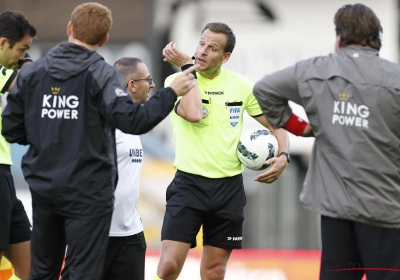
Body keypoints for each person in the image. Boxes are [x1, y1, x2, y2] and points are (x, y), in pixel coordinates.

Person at [1, 2, 198, 280]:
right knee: (83, 273)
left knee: (42, 272)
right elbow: (133, 121)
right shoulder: (103, 75)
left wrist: (47, 138)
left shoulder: (34, 73)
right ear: (104, 40)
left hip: (46, 189)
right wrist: (170, 92)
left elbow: (10, 128)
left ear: (70, 28)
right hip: (88, 194)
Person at [253, 4, 400, 280]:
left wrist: (301, 128)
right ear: (376, 38)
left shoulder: (314, 70)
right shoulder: (395, 78)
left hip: (337, 212)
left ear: (339, 37)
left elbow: (264, 89)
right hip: (387, 212)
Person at [154, 22, 290, 280]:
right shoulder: (176, 80)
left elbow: (278, 124)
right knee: (168, 267)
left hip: (229, 189)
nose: (203, 51)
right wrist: (186, 65)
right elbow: (193, 114)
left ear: (225, 57)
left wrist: (283, 155)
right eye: (201, 43)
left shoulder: (242, 85)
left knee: (215, 272)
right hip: (188, 185)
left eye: (212, 48)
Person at [99, 57, 154, 280]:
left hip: (130, 234)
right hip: (98, 235)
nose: (151, 85)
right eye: (148, 79)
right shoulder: (104, 121)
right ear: (132, 85)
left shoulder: (133, 123)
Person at [0, 10, 36, 280]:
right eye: (22, 49)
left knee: (34, 268)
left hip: (5, 174)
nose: (23, 56)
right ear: (3, 43)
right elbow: (28, 84)